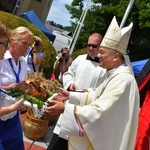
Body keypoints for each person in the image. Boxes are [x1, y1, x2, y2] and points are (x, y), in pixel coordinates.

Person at [46, 16, 139, 150]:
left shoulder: (123, 80)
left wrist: (65, 108)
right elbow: (97, 96)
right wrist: (71, 96)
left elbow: (100, 111)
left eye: (102, 52)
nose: (99, 55)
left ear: (115, 57)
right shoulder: (115, 74)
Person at [47, 33, 106, 150]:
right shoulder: (80, 59)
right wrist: (70, 84)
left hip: (85, 111)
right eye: (89, 45)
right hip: (70, 106)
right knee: (57, 142)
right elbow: (69, 73)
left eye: (94, 46)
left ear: (101, 46)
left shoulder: (104, 67)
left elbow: (103, 89)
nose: (90, 48)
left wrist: (89, 91)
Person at [0, 26, 34, 150]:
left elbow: (22, 83)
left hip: (13, 114)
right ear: (12, 42)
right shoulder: (1, 58)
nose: (27, 47)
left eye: (29, 44)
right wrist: (10, 87)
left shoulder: (23, 62)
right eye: (24, 43)